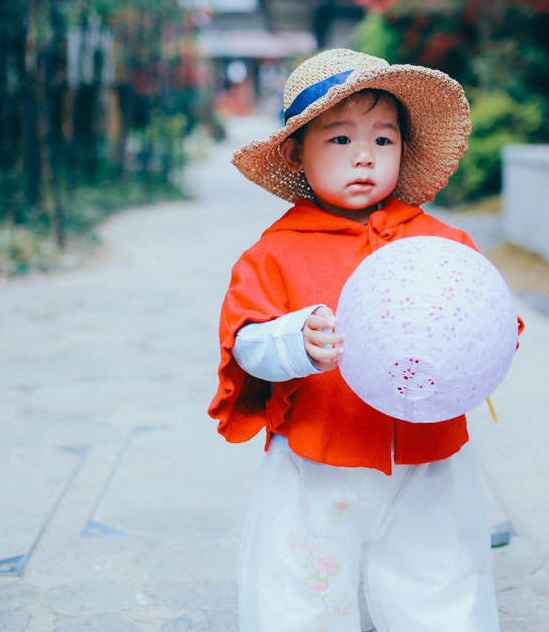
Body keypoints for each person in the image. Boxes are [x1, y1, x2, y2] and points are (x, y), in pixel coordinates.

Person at [209, 48, 520, 631]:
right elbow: (245, 341)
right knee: (307, 582)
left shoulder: (437, 239)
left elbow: (487, 311)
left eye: (382, 141)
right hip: (321, 450)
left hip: (425, 451)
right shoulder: (277, 251)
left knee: (436, 574)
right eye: (340, 140)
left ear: (404, 148)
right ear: (297, 153)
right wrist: (294, 341)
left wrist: (484, 339)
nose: (364, 159)